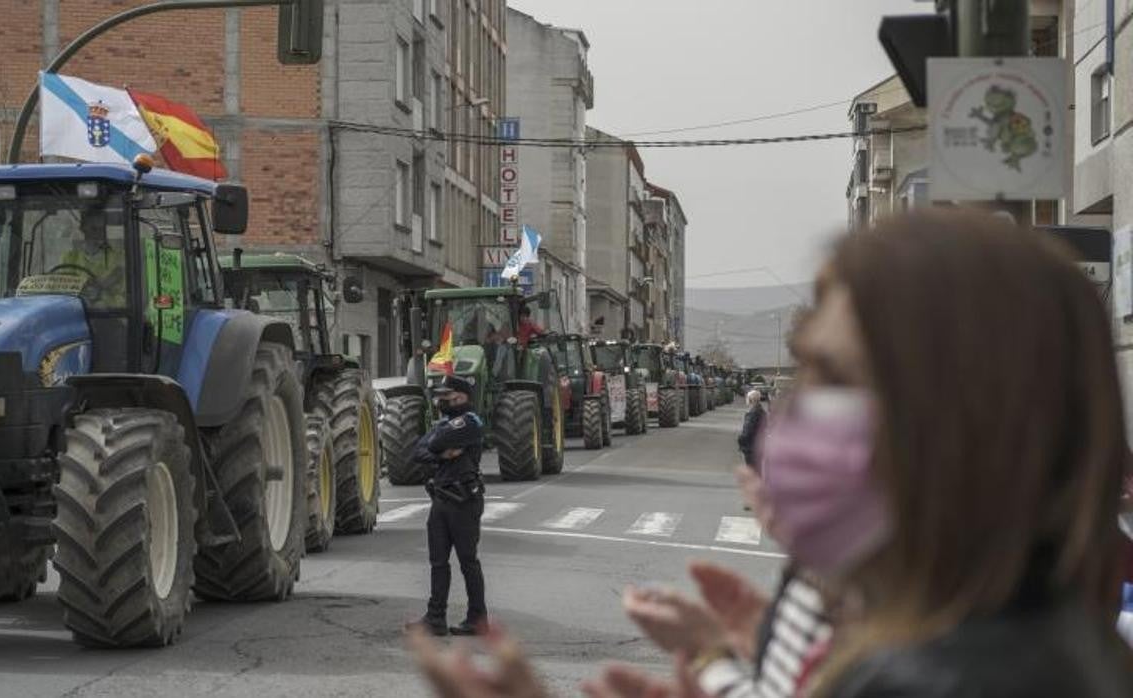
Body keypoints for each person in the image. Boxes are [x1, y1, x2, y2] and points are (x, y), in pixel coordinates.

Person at [410, 210, 1133, 697]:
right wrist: (735, 661)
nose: (791, 415)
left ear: (964, 416)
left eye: (833, 378)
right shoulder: (994, 631)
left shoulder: (944, 675)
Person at [408, 375, 488, 637]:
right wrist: (441, 456)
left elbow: (433, 442)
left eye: (447, 395)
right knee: (438, 562)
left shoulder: (470, 421)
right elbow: (419, 451)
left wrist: (436, 448)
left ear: (461, 396)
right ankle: (435, 618)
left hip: (464, 500)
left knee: (467, 561)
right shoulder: (445, 423)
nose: (441, 400)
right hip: (441, 499)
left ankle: (477, 618)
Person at [60, 207, 125, 306]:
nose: (99, 234)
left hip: (110, 315)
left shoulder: (118, 258)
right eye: (94, 229)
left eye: (102, 229)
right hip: (76, 310)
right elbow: (62, 289)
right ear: (83, 229)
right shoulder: (69, 258)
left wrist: (102, 292)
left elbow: (124, 297)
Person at [737, 390, 766, 469]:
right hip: (758, 445)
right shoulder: (761, 411)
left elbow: (747, 430)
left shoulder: (752, 413)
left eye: (747, 398)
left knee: (751, 469)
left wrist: (740, 440)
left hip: (751, 446)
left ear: (750, 400)